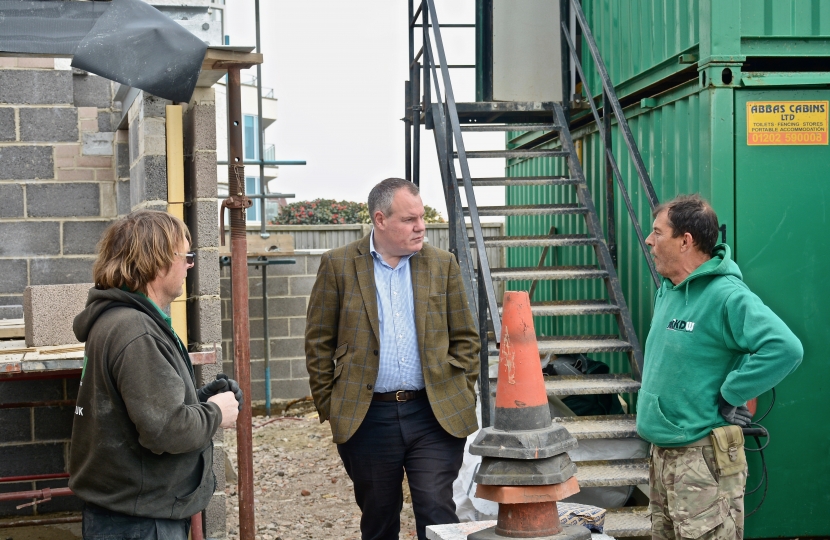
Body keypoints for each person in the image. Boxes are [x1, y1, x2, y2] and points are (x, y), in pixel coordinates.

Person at [305, 178, 480, 540]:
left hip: (433, 414)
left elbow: (466, 337)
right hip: (368, 417)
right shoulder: (338, 266)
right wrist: (331, 405)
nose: (421, 227)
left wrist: (460, 388)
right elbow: (319, 342)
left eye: (422, 217)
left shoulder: (441, 264)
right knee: (379, 516)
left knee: (436, 509)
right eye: (409, 219)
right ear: (380, 219)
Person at [69, 210, 243, 540]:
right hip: (141, 522)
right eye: (185, 255)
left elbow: (141, 410)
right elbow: (166, 431)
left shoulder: (117, 320)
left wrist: (201, 399)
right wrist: (217, 412)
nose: (189, 265)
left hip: (126, 512)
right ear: (157, 261)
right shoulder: (136, 331)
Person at [638, 194, 802, 540]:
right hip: (662, 453)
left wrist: (733, 392)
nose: (649, 240)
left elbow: (785, 348)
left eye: (657, 232)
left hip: (702, 458)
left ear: (685, 241)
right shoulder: (669, 289)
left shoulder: (727, 295)